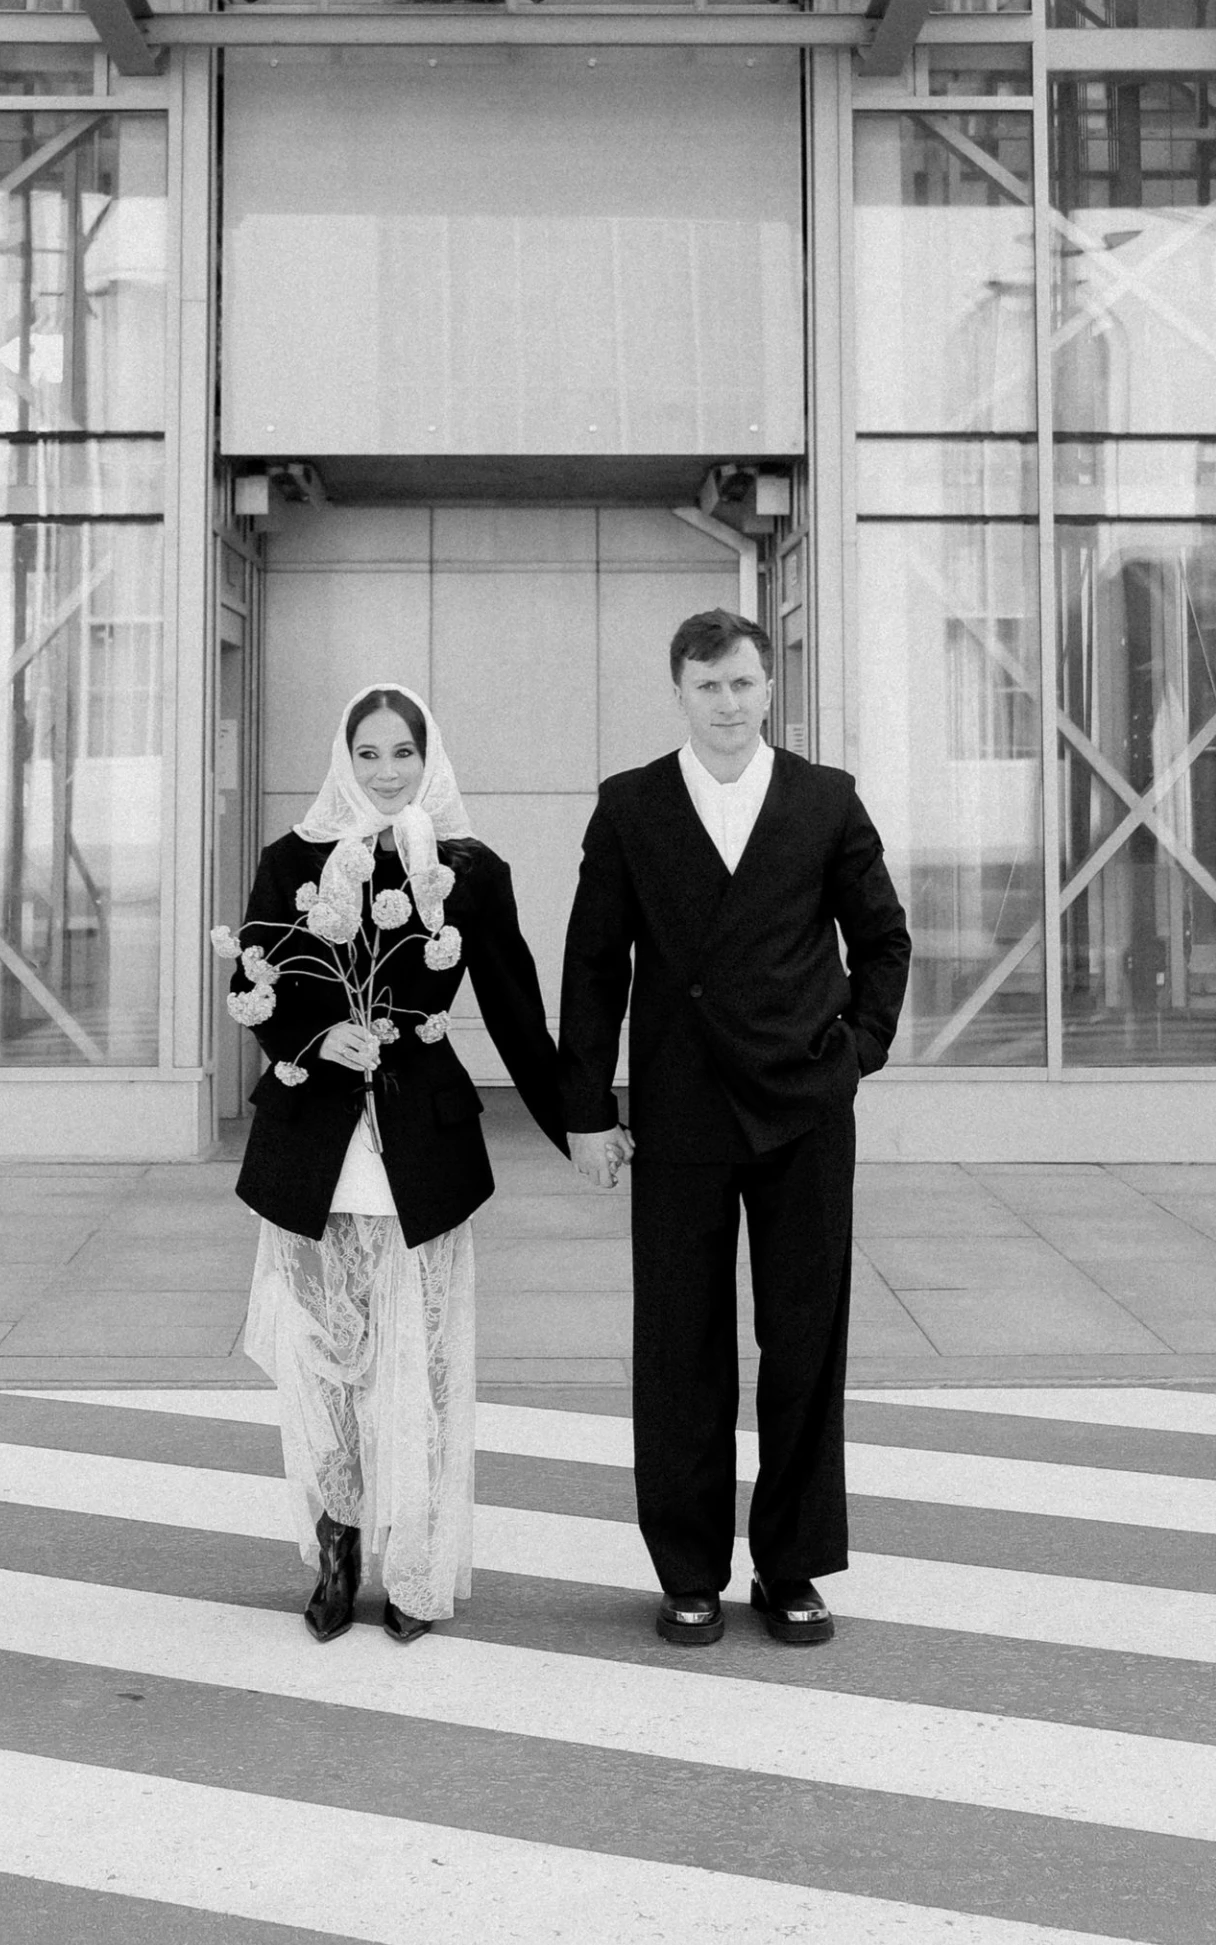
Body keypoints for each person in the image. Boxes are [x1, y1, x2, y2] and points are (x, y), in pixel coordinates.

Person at [559, 608, 910, 1649]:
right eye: (707, 685)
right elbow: (591, 967)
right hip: (679, 1111)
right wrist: (586, 1112)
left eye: (742, 683)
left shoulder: (823, 798)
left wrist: (855, 1054)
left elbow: (883, 939)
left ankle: (789, 1565)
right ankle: (687, 1572)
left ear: (767, 688)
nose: (726, 703)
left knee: (803, 1342)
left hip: (804, 1107)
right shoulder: (629, 806)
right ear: (678, 691)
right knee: (680, 1348)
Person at [233, 683, 565, 1645]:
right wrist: (317, 1036)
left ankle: (416, 1569)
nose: (385, 772)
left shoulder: (469, 870)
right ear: (344, 759)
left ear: (429, 758)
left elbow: (517, 1013)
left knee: (421, 1370)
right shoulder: (291, 860)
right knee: (324, 1364)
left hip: (419, 1150)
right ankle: (335, 1559)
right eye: (368, 753)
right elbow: (255, 983)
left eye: (403, 753)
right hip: (314, 1148)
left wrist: (584, 1127)